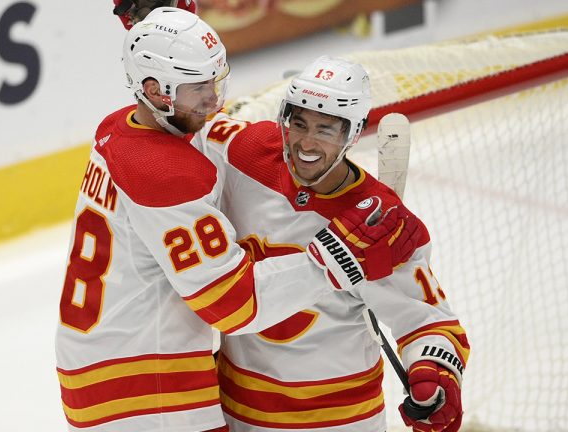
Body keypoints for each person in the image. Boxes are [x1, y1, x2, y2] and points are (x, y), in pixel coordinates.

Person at [55, 9, 423, 432]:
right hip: (147, 387)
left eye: (215, 81)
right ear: (156, 91)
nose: (213, 101)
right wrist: (338, 257)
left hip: (100, 362)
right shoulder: (166, 175)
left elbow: (204, 130)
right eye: (199, 89)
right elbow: (231, 305)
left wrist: (161, 24)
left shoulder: (120, 126)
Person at [197, 56, 470, 432]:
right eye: (299, 124)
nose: (307, 143)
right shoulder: (244, 153)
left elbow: (428, 320)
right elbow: (186, 123)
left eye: (326, 130)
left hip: (342, 419)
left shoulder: (380, 221)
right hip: (239, 410)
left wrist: (434, 373)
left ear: (352, 134)